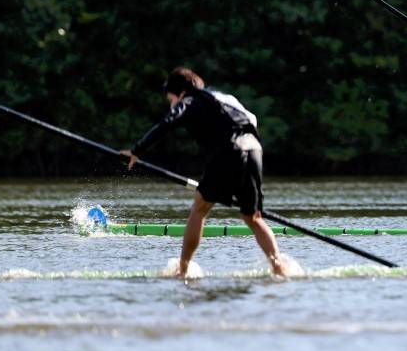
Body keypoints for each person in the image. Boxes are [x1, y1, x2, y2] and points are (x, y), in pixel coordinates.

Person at [119, 67, 287, 276]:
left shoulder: (189, 101)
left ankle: (183, 269)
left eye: (170, 98)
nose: (171, 103)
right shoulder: (223, 97)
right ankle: (279, 267)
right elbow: (251, 120)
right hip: (255, 149)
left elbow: (168, 123)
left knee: (199, 208)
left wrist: (136, 151)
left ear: (180, 92)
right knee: (252, 217)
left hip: (231, 150)